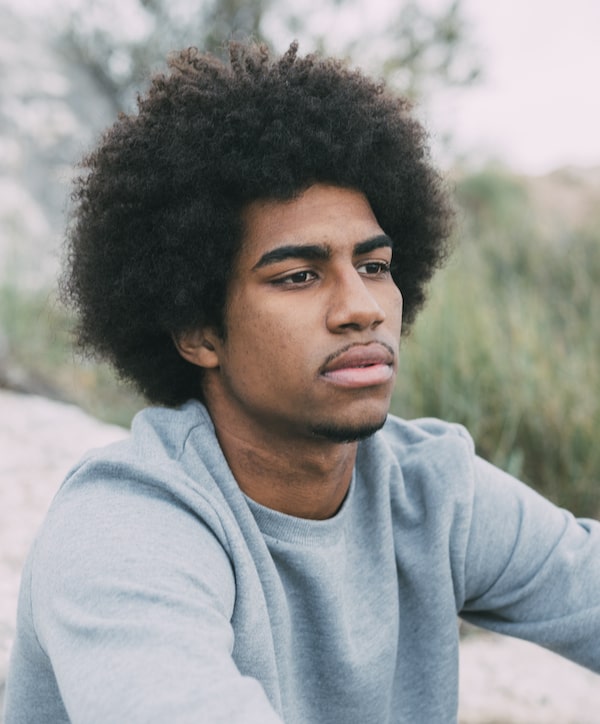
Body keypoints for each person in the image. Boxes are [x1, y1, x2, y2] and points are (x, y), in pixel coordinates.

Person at [4, 41, 599, 723]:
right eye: (299, 275)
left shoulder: (430, 491)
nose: (362, 308)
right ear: (197, 330)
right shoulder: (124, 531)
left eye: (375, 266)